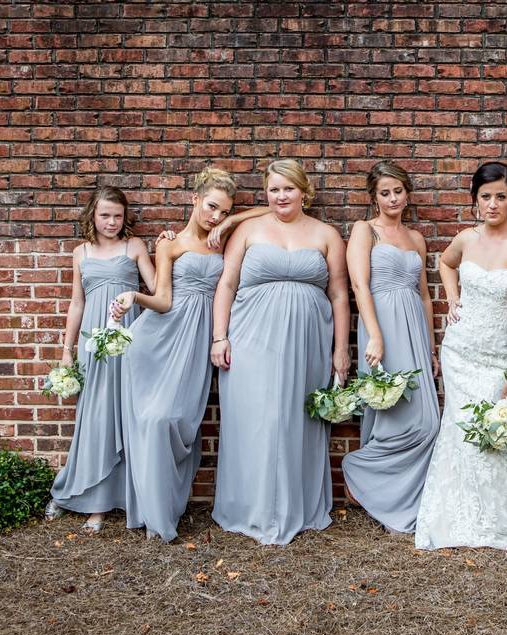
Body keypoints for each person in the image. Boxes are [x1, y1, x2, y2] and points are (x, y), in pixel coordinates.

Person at [112, 167, 268, 543]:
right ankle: (155, 516)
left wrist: (229, 222)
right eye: (211, 207)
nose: (215, 216)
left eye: (223, 210)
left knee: (181, 423)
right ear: (194, 199)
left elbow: (266, 212)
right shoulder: (169, 243)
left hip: (202, 337)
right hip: (164, 335)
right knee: (155, 420)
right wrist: (134, 297)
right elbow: (163, 300)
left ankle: (168, 505)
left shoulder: (224, 238)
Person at [210, 159, 350, 545]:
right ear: (266, 193)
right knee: (258, 419)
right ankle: (250, 508)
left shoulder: (326, 235)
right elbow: (226, 285)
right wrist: (219, 336)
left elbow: (339, 294)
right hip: (252, 341)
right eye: (273, 189)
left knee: (294, 422)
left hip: (307, 345)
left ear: (304, 191)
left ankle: (294, 508)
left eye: (288, 188)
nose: (281, 196)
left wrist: (341, 350)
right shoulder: (249, 230)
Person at [415, 161, 507, 553]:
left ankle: (505, 519)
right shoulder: (467, 239)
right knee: (458, 432)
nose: (493, 204)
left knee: (486, 438)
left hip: (495, 357)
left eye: (501, 197)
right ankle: (455, 514)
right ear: (475, 200)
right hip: (459, 350)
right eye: (485, 196)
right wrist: (454, 297)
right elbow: (444, 262)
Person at [45, 186, 156, 532]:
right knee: (94, 416)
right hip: (95, 344)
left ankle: (112, 501)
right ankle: (86, 495)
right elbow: (77, 303)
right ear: (93, 214)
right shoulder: (81, 253)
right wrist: (67, 350)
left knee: (125, 415)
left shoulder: (134, 247)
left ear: (125, 218)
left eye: (118, 215)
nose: (111, 221)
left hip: (127, 341)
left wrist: (167, 247)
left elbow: (157, 291)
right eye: (105, 214)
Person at [340, 161, 440, 533]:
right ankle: (359, 471)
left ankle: (399, 496)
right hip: (380, 323)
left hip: (413, 325)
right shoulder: (365, 230)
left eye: (398, 191)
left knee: (427, 422)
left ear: (407, 194)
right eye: (385, 192)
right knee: (390, 412)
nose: (393, 198)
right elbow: (359, 286)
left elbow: (425, 296)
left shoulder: (416, 239)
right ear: (374, 197)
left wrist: (430, 349)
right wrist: (375, 335)